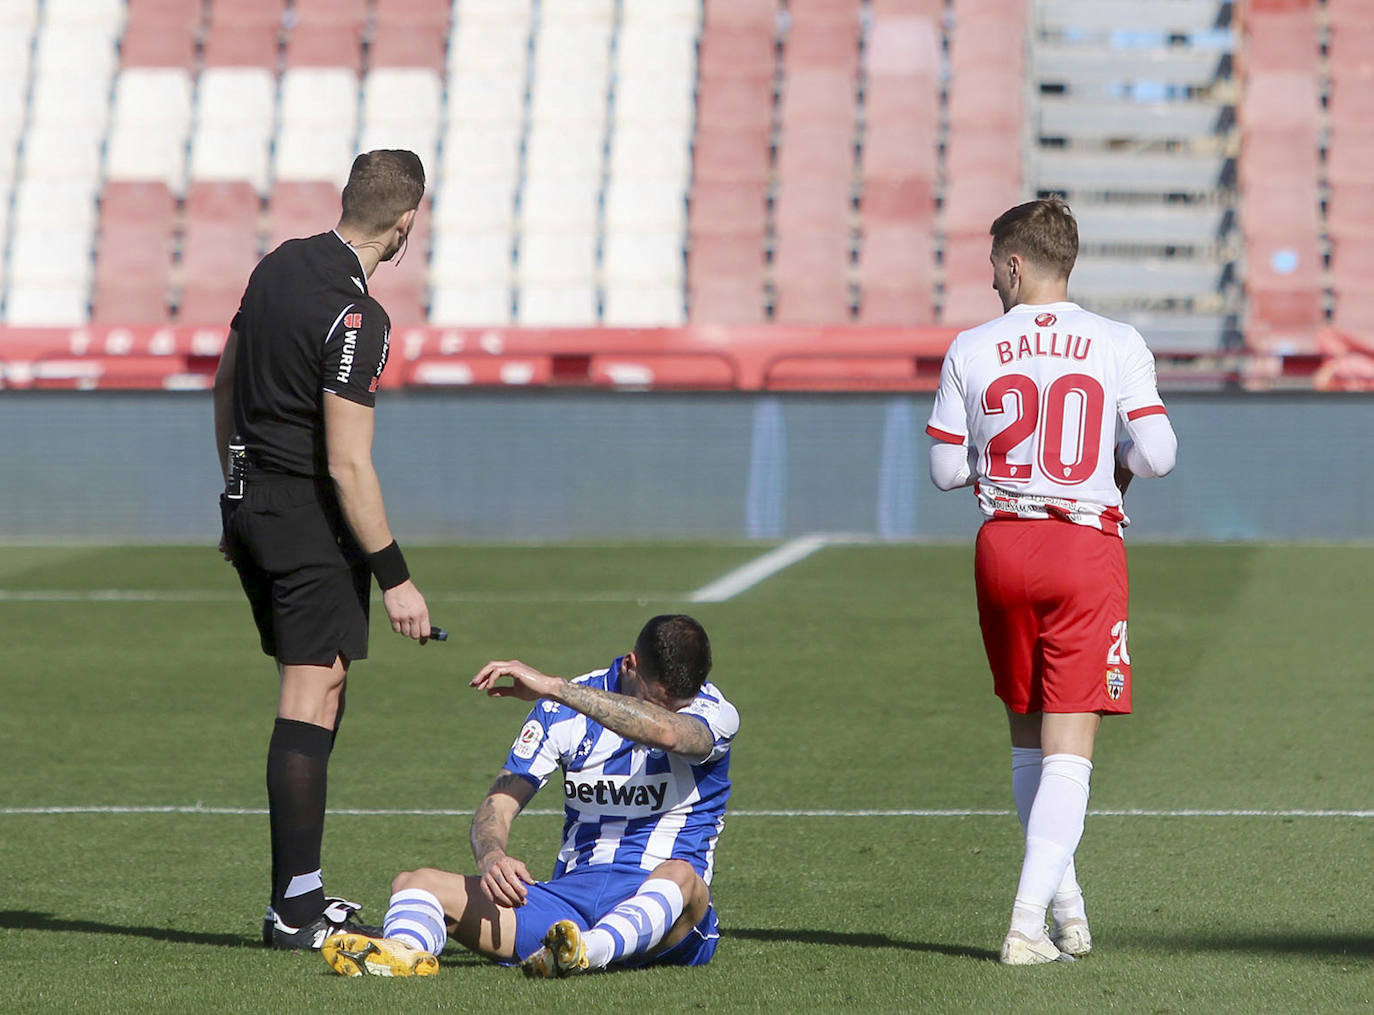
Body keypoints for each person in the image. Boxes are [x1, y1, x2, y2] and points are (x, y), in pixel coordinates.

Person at [924, 197, 1178, 965]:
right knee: (1070, 750)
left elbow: (943, 472)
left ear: (1015, 262)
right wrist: (1116, 466)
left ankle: (1067, 908)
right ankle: (1026, 922)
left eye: (994, 268)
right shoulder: (1117, 339)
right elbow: (1159, 453)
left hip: (1002, 546)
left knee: (1028, 739)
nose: (992, 283)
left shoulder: (972, 344)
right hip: (1080, 545)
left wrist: (996, 466)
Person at [211, 150, 434, 950]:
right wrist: (398, 578)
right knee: (307, 699)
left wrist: (234, 494)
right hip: (305, 520)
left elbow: (226, 381)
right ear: (407, 221)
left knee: (325, 684)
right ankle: (293, 912)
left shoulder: (275, 265)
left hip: (255, 505)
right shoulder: (358, 317)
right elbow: (347, 461)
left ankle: (302, 894)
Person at [317, 614, 738, 979]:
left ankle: (585, 953)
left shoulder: (712, 712)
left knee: (682, 875)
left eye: (677, 704)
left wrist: (555, 687)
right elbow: (497, 805)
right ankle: (402, 954)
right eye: (654, 700)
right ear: (630, 665)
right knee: (415, 883)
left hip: (668, 916)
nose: (667, 712)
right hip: (568, 908)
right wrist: (492, 856)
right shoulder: (561, 714)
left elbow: (668, 732)